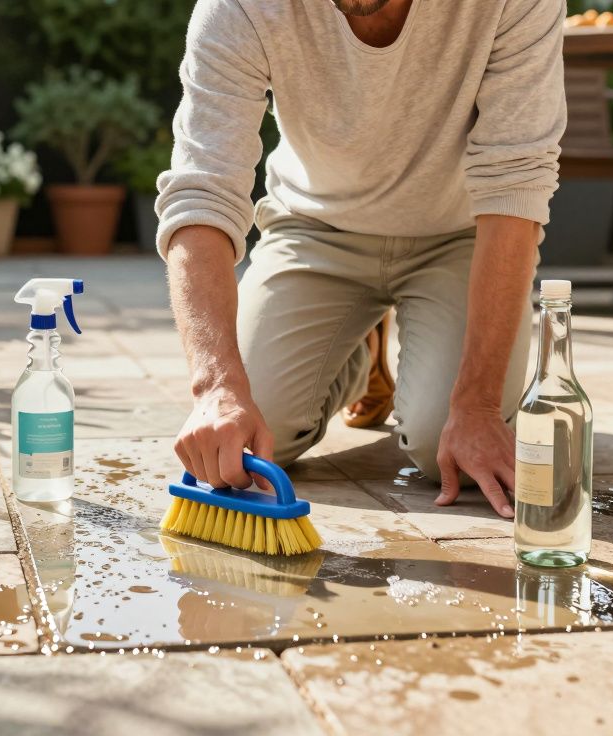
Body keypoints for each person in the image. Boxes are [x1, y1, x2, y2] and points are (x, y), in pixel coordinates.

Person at [156, 0, 566, 519]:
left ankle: (412, 360)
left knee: (445, 451)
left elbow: (517, 181)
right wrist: (215, 387)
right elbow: (202, 190)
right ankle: (360, 356)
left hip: (460, 234)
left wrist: (480, 406)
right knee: (252, 436)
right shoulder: (239, 7)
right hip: (316, 229)